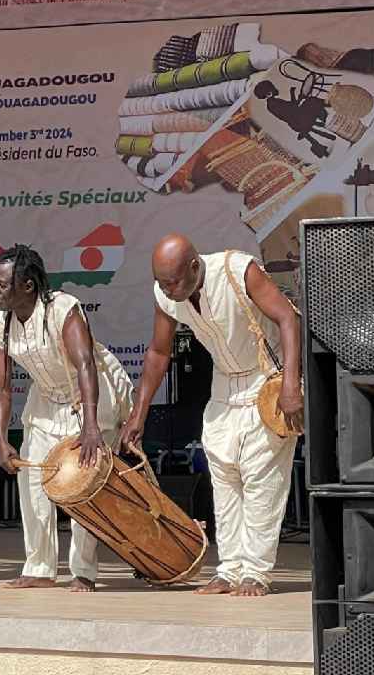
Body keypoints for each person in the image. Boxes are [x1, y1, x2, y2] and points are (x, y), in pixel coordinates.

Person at [118, 234, 302, 597]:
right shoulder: (166, 296)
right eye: (161, 282)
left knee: (261, 481)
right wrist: (138, 413)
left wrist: (291, 385)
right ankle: (230, 569)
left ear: (194, 266)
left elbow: (287, 318)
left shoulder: (237, 269)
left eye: (173, 281)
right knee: (223, 478)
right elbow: (158, 352)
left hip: (266, 380)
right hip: (223, 387)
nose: (169, 290)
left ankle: (256, 573)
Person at [0, 245, 133, 592]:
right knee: (32, 483)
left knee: (82, 487)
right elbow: (0, 388)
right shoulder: (0, 325)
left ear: (27, 286)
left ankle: (83, 571)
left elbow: (85, 365)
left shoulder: (62, 309)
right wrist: (0, 439)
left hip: (89, 397)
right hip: (45, 403)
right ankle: (39, 567)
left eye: (2, 283)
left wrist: (92, 426)